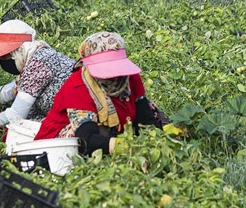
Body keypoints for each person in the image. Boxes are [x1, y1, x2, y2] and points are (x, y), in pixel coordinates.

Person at [34, 32, 167, 155]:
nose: (114, 75)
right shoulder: (78, 86)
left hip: (114, 133)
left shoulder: (130, 77)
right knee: (93, 134)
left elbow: (145, 114)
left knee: (151, 108)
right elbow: (85, 137)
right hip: (59, 146)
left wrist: (157, 138)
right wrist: (126, 146)